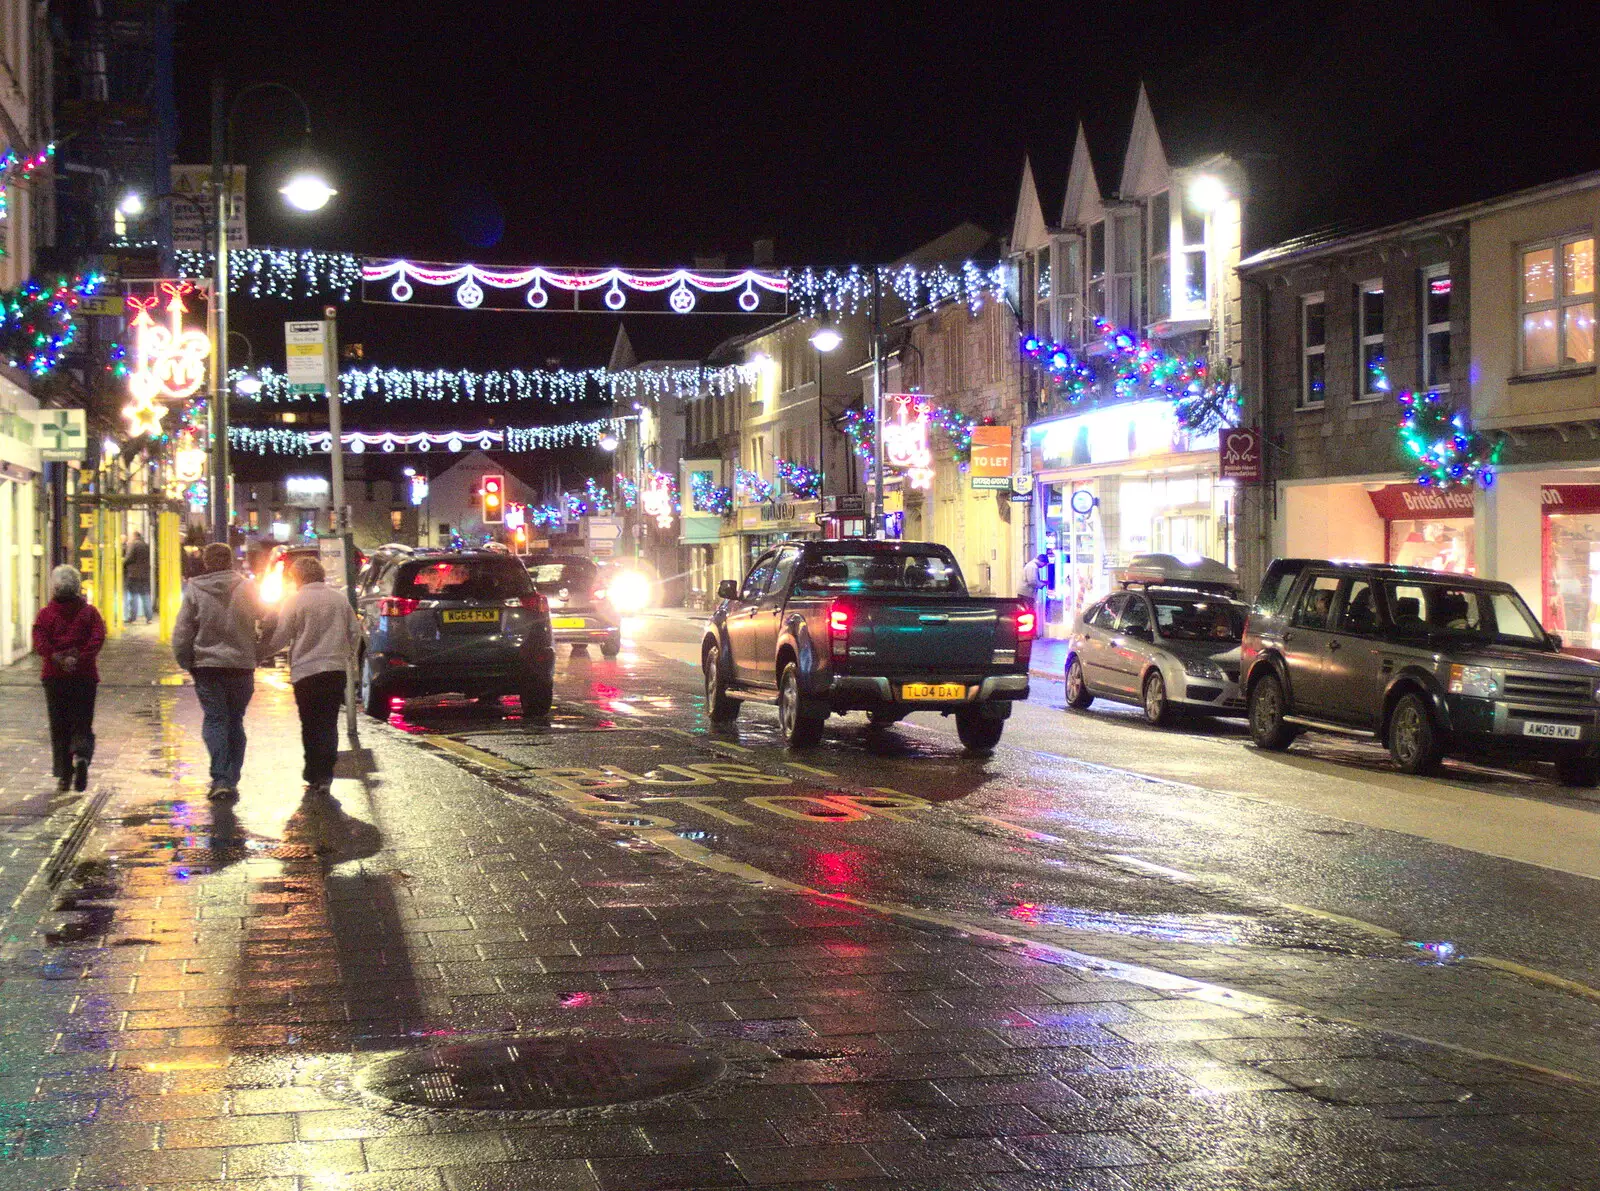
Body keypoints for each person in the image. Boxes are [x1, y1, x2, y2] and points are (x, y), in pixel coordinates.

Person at [260, 556, 359, 798]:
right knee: (329, 722)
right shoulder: (339, 598)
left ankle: (313, 772)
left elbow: (282, 635)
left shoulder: (295, 601)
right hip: (334, 670)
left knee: (311, 723)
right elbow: (354, 632)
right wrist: (347, 656)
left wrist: (261, 653)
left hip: (306, 672)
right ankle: (325, 774)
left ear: (298, 577)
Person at [173, 543, 260, 800]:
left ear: (207, 563)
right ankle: (231, 778)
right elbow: (270, 619)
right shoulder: (248, 588)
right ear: (231, 561)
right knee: (235, 720)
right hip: (241, 666)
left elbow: (182, 632)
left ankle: (220, 778)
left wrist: (185, 660)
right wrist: (259, 652)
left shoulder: (195, 590)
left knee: (215, 719)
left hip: (207, 666)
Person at [33, 566, 106, 793]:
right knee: (82, 721)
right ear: (77, 587)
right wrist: (80, 658)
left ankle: (64, 775)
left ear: (55, 587)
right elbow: (97, 638)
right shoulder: (90, 613)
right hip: (84, 676)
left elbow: (40, 640)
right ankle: (82, 755)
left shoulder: (45, 614)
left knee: (59, 724)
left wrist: (56, 658)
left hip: (55, 678)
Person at [123, 531, 152, 624]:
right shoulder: (146, 545)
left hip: (134, 575)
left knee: (133, 596)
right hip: (145, 575)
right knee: (145, 596)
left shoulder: (134, 545)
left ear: (135, 536)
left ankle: (133, 618)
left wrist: (122, 562)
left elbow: (129, 558)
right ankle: (149, 617)